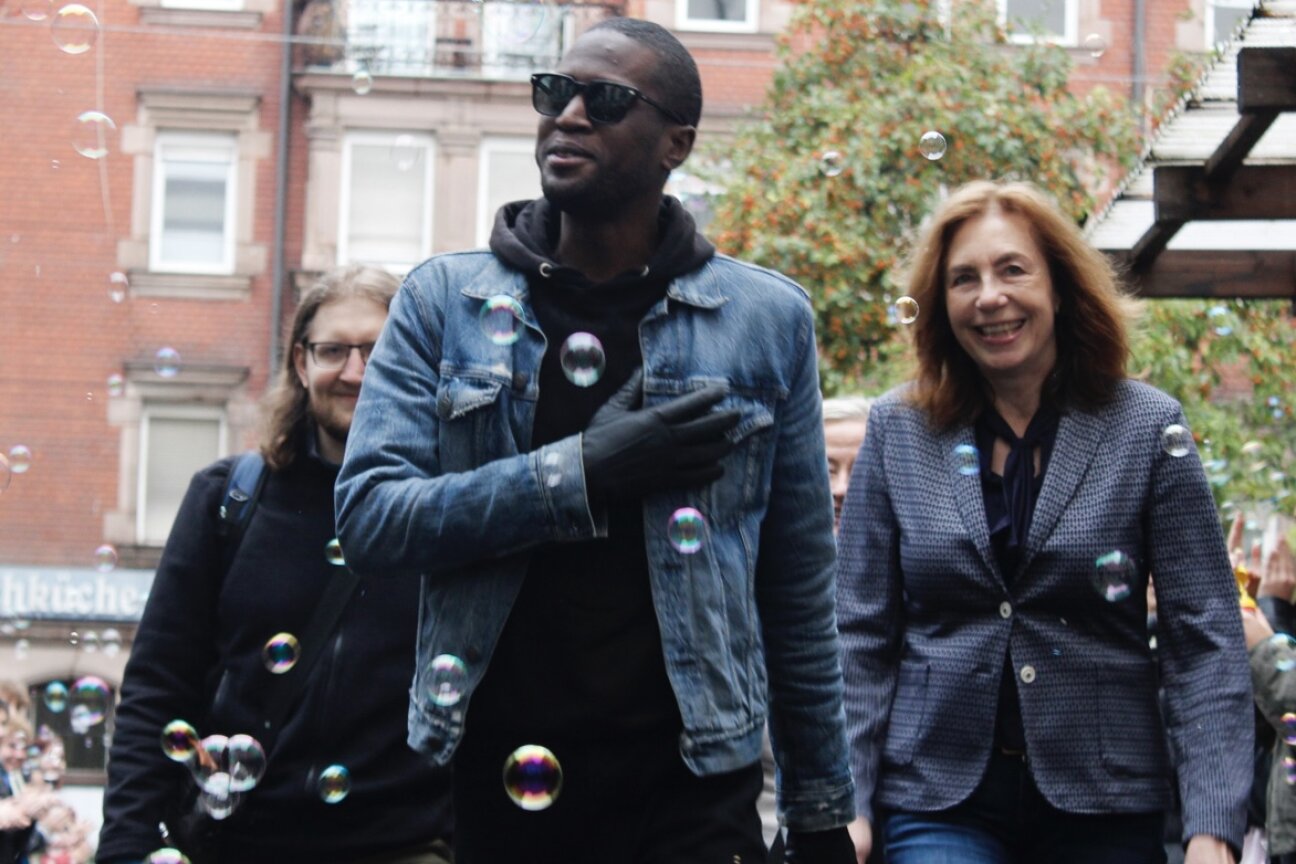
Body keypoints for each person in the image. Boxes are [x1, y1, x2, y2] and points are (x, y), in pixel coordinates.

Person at [335, 18, 854, 864]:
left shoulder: (765, 321)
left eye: (606, 101)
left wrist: (821, 808)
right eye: (554, 92)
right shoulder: (443, 300)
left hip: (692, 781)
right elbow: (371, 519)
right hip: (496, 769)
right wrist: (583, 472)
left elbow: (796, 589)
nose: (568, 115)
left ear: (674, 144)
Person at [836, 179, 1253, 864]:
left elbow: (1203, 638)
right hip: (936, 793)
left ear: (1060, 287)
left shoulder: (1147, 426)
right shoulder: (897, 429)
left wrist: (1213, 829)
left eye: (1012, 270)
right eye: (963, 279)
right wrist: (847, 805)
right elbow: (859, 632)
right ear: (941, 304)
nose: (989, 296)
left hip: (1105, 798)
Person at [98, 266, 453, 864]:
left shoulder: (452, 507)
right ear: (299, 362)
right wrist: (125, 846)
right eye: (332, 350)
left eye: (378, 349)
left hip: (405, 848)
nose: (354, 371)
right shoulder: (227, 499)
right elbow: (157, 688)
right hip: (240, 842)